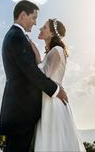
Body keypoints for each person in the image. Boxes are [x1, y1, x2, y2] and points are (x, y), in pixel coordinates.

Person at [0, 0, 69, 152]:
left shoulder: (16, 36)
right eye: (34, 18)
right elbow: (31, 72)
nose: (36, 24)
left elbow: (33, 70)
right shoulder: (16, 37)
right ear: (23, 15)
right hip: (21, 111)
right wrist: (56, 90)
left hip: (21, 109)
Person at [32, 18, 86, 152]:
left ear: (51, 34)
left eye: (44, 27)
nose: (40, 29)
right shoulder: (54, 51)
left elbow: (44, 78)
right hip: (49, 99)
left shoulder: (56, 50)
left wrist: (37, 56)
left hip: (53, 102)